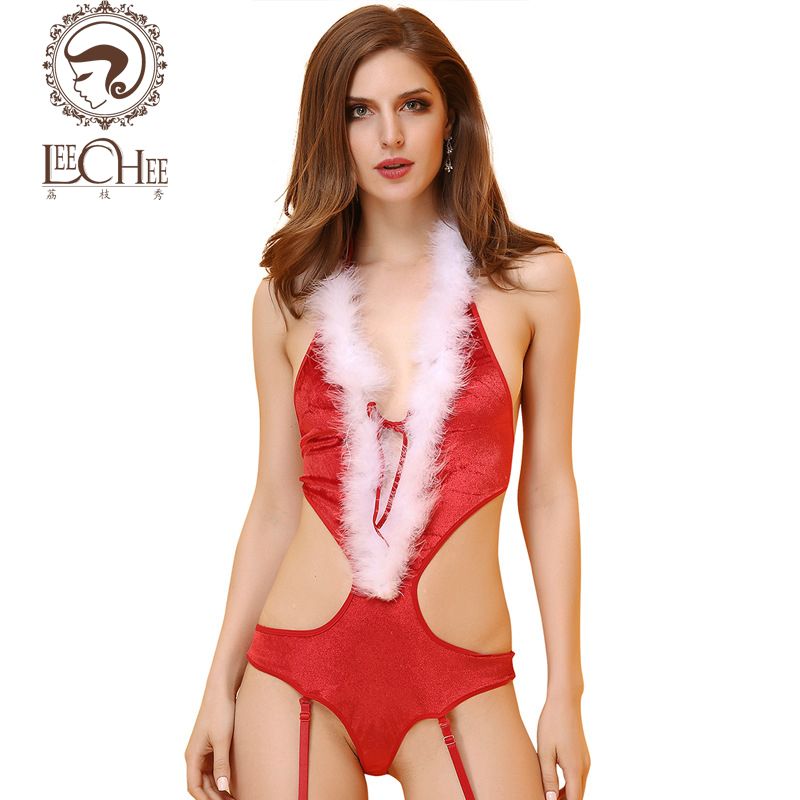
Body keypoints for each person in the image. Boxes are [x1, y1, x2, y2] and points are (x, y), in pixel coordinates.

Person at [185, 5, 590, 799]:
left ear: (451, 117)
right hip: (296, 677)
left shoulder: (534, 282)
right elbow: (275, 502)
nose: (391, 136)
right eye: (359, 112)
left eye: (413, 104)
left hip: (464, 681)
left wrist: (566, 693)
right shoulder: (287, 299)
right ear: (329, 131)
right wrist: (216, 686)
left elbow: (548, 491)